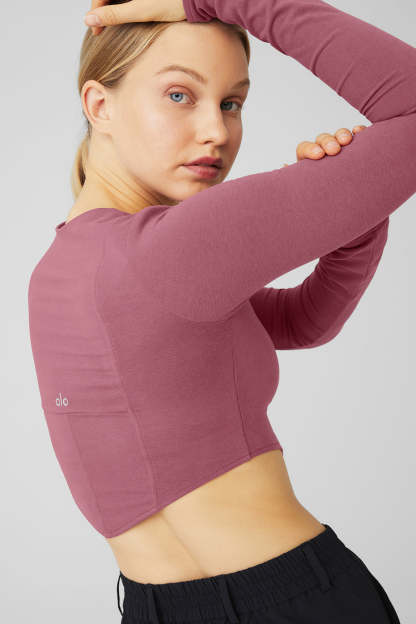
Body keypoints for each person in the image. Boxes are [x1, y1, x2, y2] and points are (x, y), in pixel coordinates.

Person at [27, 0, 415, 622]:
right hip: (295, 599)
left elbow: (298, 322)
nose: (216, 131)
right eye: (180, 95)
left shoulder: (66, 263)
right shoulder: (172, 248)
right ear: (99, 105)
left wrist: (357, 217)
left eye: (232, 103)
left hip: (155, 608)